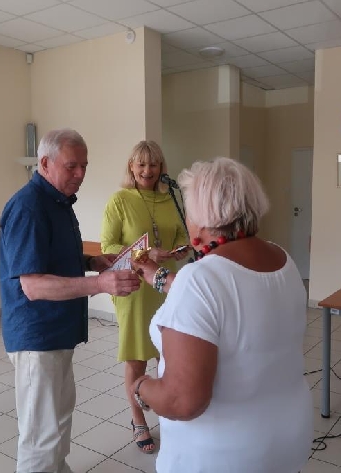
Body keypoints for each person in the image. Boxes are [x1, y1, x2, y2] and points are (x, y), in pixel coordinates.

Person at [129, 157, 313, 472]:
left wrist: (140, 388)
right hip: (287, 439)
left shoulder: (199, 280)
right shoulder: (283, 259)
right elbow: (228, 299)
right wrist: (160, 277)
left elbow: (182, 402)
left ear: (201, 219)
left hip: (222, 456)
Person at [0, 128, 141, 473]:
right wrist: (100, 284)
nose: (80, 174)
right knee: (40, 436)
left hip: (58, 332)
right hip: (37, 337)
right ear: (45, 163)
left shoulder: (59, 202)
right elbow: (33, 286)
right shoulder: (29, 208)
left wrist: (93, 262)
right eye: (72, 166)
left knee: (60, 418)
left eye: (84, 166)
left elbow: (55, 257)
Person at [100, 140, 189, 454]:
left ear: (161, 168)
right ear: (131, 167)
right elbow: (108, 247)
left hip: (167, 287)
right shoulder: (120, 200)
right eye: (141, 164)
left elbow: (183, 235)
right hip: (135, 289)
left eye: (153, 165)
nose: (147, 171)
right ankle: (138, 420)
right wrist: (146, 253)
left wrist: (180, 249)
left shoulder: (170, 199)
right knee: (137, 358)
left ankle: (168, 412)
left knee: (169, 356)